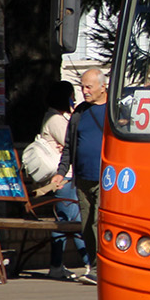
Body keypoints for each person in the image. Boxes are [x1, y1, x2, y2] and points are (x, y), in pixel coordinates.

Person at [32, 81, 83, 280]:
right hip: (65, 177)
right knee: (75, 222)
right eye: (71, 95)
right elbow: (74, 142)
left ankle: (56, 265)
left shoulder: (59, 117)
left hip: (67, 177)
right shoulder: (55, 119)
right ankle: (90, 264)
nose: (74, 99)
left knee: (63, 221)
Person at [61, 67, 108, 284]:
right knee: (87, 225)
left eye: (89, 87)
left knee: (98, 223)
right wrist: (62, 172)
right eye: (82, 86)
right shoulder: (80, 112)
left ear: (102, 87)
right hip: (82, 178)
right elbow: (69, 145)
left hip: (105, 180)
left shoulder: (113, 112)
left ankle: (101, 270)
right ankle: (92, 265)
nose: (84, 91)